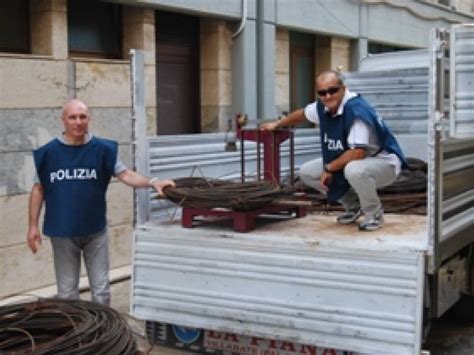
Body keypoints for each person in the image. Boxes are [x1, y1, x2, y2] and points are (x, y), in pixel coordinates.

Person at [27, 99, 175, 305]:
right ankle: (77, 333)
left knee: (101, 291)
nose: (78, 122)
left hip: (95, 230)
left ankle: (102, 334)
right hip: (62, 232)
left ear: (89, 119)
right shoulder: (48, 154)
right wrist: (32, 225)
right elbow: (38, 189)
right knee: (67, 293)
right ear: (63, 120)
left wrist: (153, 182)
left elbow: (126, 175)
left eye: (82, 117)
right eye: (72, 117)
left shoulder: (103, 149)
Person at [261, 70, 407, 231]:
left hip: (383, 163)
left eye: (333, 90)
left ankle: (374, 214)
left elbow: (357, 153)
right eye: (322, 93)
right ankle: (354, 206)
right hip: (354, 160)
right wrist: (277, 124)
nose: (328, 96)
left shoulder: (355, 110)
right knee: (307, 172)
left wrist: (329, 168)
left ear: (343, 89)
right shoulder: (323, 107)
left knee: (354, 170)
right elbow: (301, 114)